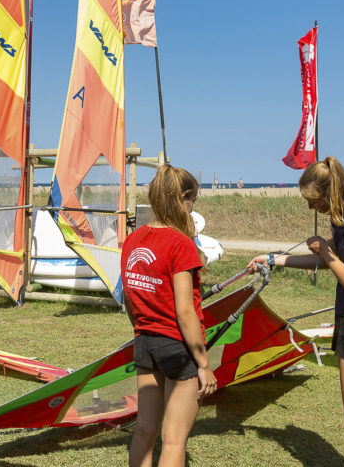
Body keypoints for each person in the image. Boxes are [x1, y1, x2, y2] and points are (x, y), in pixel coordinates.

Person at [247, 156, 344, 467]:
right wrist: (273, 259)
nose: (310, 208)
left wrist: (326, 250)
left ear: (331, 193)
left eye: (314, 201)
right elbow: (324, 261)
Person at [124, 164, 217, 467]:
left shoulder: (133, 239)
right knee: (174, 440)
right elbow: (185, 311)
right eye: (193, 201)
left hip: (144, 342)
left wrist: (141, 328)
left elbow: (128, 297)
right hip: (177, 347)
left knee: (144, 431)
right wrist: (204, 365)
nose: (193, 208)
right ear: (184, 199)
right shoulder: (181, 244)